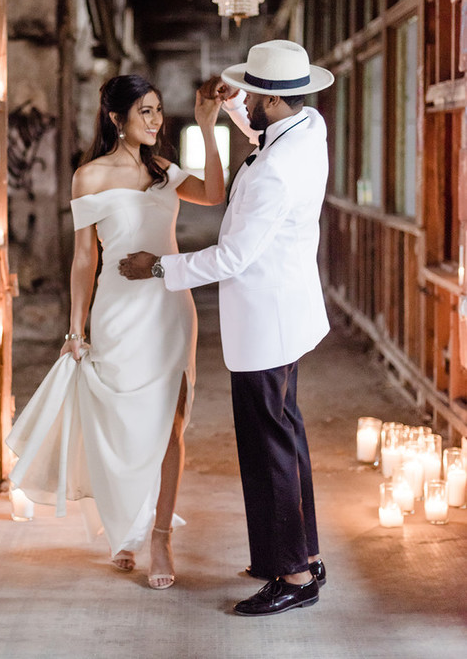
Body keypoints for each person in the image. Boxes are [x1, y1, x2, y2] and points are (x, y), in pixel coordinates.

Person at [119, 40, 333, 615]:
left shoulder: (275, 175)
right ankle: (302, 556)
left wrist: (160, 267)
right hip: (289, 313)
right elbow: (266, 136)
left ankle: (290, 578)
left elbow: (230, 258)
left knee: (268, 450)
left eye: (255, 95)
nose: (252, 104)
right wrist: (236, 109)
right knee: (286, 439)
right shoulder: (309, 128)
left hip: (266, 321)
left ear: (272, 98)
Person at [7, 74, 225, 590]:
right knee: (119, 422)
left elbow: (215, 193)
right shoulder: (90, 176)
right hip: (118, 312)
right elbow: (85, 259)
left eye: (157, 110)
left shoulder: (163, 171)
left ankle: (160, 536)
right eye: (144, 112)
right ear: (115, 118)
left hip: (169, 309)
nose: (154, 120)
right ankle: (123, 528)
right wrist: (74, 328)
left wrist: (209, 128)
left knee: (171, 424)